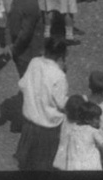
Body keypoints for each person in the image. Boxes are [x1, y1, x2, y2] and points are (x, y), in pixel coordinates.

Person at [14, 36, 68, 171]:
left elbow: (22, 85)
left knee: (26, 166)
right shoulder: (59, 75)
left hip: (29, 125)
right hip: (47, 130)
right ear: (61, 55)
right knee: (43, 168)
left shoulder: (34, 62)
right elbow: (61, 103)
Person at [53, 96, 103, 171]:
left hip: (66, 161)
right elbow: (102, 145)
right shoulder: (89, 130)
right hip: (85, 163)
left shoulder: (64, 122)